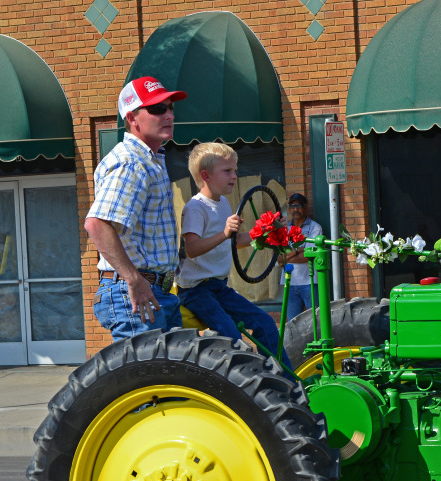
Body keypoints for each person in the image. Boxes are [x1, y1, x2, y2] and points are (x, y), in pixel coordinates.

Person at [85, 76, 187, 341]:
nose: (168, 114)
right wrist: (134, 280)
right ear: (132, 118)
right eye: (156, 109)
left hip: (154, 289)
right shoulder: (132, 163)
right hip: (135, 290)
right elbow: (97, 224)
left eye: (170, 107)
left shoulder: (149, 160)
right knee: (148, 379)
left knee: (171, 378)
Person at [175, 142, 291, 369]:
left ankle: (282, 380)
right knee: (231, 336)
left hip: (219, 287)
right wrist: (224, 232)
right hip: (196, 291)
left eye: (235, 170)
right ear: (206, 175)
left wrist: (266, 231)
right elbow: (192, 249)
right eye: (227, 171)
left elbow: (235, 241)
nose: (234, 176)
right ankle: (242, 385)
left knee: (265, 323)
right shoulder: (195, 208)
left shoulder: (224, 203)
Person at [279, 192, 323, 321]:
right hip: (289, 283)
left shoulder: (315, 228)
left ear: (305, 207)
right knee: (293, 324)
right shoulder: (284, 230)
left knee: (316, 321)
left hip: (309, 283)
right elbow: (279, 259)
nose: (295, 209)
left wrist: (289, 255)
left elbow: (309, 256)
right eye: (292, 206)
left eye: (298, 206)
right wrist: (298, 250)